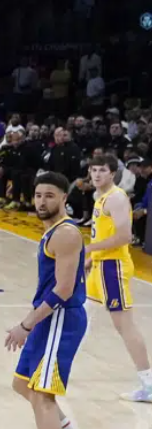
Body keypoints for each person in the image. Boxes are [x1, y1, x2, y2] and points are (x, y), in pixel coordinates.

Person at [5, 173, 99, 429]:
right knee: (22, 385)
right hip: (50, 319)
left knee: (41, 396)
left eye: (49, 195)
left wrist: (26, 324)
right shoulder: (55, 233)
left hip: (60, 319)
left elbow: (63, 289)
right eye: (38, 195)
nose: (41, 201)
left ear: (63, 197)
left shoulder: (66, 233)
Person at [83, 155, 152, 401]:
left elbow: (124, 236)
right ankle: (55, 368)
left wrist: (89, 250)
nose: (97, 174)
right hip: (100, 266)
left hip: (113, 268)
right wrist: (92, 258)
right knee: (82, 316)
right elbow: (103, 233)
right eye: (94, 170)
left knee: (124, 326)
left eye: (102, 170)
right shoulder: (100, 198)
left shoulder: (116, 198)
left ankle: (148, 383)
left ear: (113, 173)